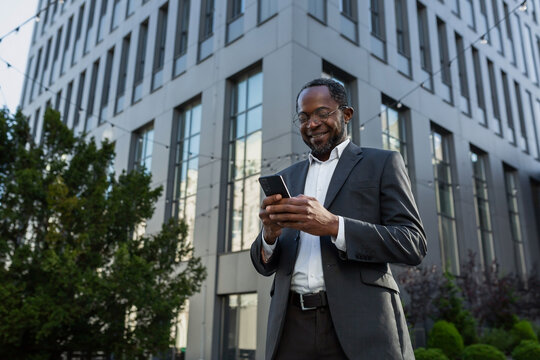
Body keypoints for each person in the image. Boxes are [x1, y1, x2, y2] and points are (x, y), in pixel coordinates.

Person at [250, 78, 427, 360]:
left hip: (361, 323)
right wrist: (269, 235)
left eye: (323, 113)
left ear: (346, 114)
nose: (312, 124)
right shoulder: (287, 177)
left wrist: (334, 225)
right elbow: (264, 265)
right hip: (290, 327)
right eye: (304, 117)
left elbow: (413, 243)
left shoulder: (382, 163)